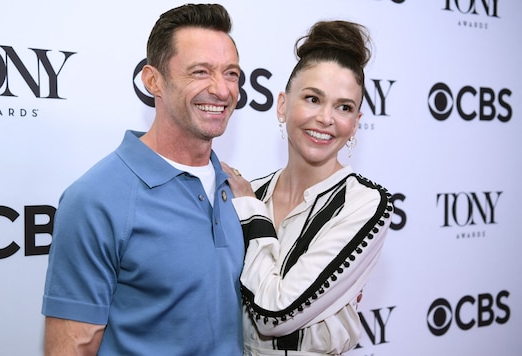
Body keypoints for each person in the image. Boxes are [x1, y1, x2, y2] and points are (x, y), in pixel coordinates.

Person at [41, 4, 244, 355]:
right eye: (200, 72)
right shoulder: (95, 199)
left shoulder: (235, 188)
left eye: (231, 74)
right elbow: (71, 347)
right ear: (153, 81)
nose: (222, 90)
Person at [222, 20, 393, 355]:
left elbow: (276, 314)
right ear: (282, 105)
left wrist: (250, 213)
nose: (326, 118)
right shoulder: (251, 192)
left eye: (344, 107)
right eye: (313, 99)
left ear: (356, 122)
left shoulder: (364, 203)